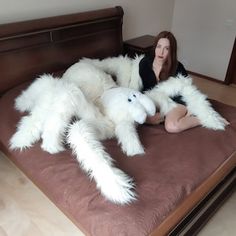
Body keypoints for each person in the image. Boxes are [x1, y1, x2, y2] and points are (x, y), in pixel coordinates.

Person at [139, 31, 202, 133]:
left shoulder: (178, 67)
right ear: (155, 47)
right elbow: (144, 90)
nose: (161, 52)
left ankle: (202, 119)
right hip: (156, 101)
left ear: (171, 51)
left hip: (175, 102)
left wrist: (189, 110)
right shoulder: (144, 63)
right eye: (159, 47)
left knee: (172, 127)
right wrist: (148, 119)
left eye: (166, 48)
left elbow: (189, 90)